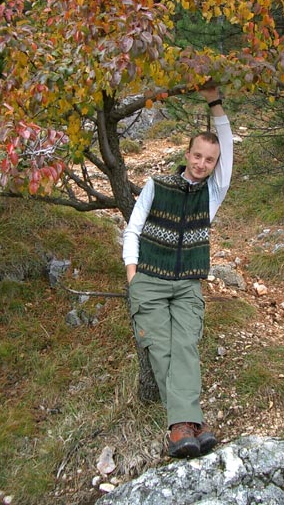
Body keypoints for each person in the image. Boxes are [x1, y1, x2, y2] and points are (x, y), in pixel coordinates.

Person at [122, 82, 233, 458]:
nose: (202, 164)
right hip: (149, 280)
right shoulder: (157, 185)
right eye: (197, 156)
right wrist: (132, 275)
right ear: (187, 154)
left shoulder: (212, 194)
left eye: (209, 160)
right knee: (162, 349)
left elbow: (228, 147)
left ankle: (182, 429)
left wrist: (214, 103)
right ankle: (189, 426)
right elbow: (133, 228)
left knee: (185, 344)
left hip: (187, 284)